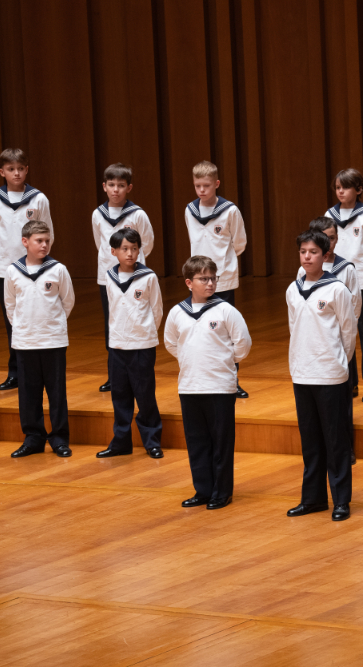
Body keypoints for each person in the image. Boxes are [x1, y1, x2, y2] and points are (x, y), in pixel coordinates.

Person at [164, 256, 252, 510]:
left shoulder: (225, 310)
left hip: (220, 386)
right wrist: (192, 359)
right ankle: (203, 489)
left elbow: (242, 345)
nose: (211, 283)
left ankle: (221, 492)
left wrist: (222, 360)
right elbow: (171, 343)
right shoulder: (177, 313)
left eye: (213, 278)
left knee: (221, 442)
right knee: (197, 441)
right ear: (189, 282)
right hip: (190, 386)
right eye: (204, 279)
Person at [285, 230, 359, 521]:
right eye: (303, 251)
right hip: (302, 374)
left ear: (324, 255)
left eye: (313, 252)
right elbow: (294, 328)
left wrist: (339, 362)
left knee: (336, 441)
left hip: (330, 375)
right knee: (310, 441)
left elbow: (348, 332)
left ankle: (341, 500)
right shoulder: (293, 289)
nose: (307, 257)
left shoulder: (337, 289)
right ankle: (313, 498)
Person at [0, 148, 53, 391]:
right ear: (2, 172)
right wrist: (3, 257)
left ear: (27, 170)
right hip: (3, 269)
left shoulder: (38, 199)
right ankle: (15, 372)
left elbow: (47, 232)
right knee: (11, 320)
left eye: (20, 169)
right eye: (11, 169)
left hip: (32, 267)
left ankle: (36, 372)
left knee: (33, 316)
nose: (16, 173)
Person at [3, 220, 74, 458]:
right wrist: (25, 328)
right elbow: (10, 306)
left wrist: (51, 326)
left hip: (53, 341)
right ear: (25, 242)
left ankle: (60, 439)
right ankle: (33, 438)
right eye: (39, 241)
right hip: (25, 342)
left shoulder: (58, 270)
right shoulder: (13, 271)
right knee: (28, 393)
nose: (44, 245)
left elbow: (67, 302)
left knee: (56, 392)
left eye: (47, 241)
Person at [97, 228, 164, 460]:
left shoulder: (148, 277)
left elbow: (157, 311)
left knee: (145, 395)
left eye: (134, 249)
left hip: (142, 345)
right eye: (125, 249)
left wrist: (143, 333)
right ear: (114, 251)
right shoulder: (109, 276)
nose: (130, 253)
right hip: (117, 345)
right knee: (120, 396)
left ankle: (152, 441)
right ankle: (121, 442)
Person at [300, 215, 361, 465]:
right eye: (325, 238)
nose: (330, 243)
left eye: (333, 238)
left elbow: (353, 310)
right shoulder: (304, 270)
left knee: (343, 402)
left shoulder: (346, 269)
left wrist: (342, 351)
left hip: (339, 345)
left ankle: (346, 448)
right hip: (314, 349)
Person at [185, 160, 248, 398]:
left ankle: (232, 380)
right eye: (197, 185)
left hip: (223, 279)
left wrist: (224, 263)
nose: (202, 190)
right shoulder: (189, 210)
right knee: (200, 328)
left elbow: (239, 244)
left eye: (207, 185)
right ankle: (205, 377)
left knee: (225, 330)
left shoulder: (230, 211)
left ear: (217, 184)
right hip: (198, 281)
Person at [92, 163, 155, 393]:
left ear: (129, 187)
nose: (115, 190)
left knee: (136, 319)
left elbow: (147, 242)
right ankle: (114, 375)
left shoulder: (137, 214)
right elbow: (100, 243)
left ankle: (137, 372)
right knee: (112, 325)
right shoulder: (98, 214)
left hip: (135, 277)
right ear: (104, 187)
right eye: (111, 185)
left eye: (120, 185)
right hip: (107, 278)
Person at [327, 169, 363, 402]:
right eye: (337, 188)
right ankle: (349, 382)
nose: (340, 191)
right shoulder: (329, 215)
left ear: (358, 190)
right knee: (342, 332)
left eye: (346, 187)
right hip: (337, 282)